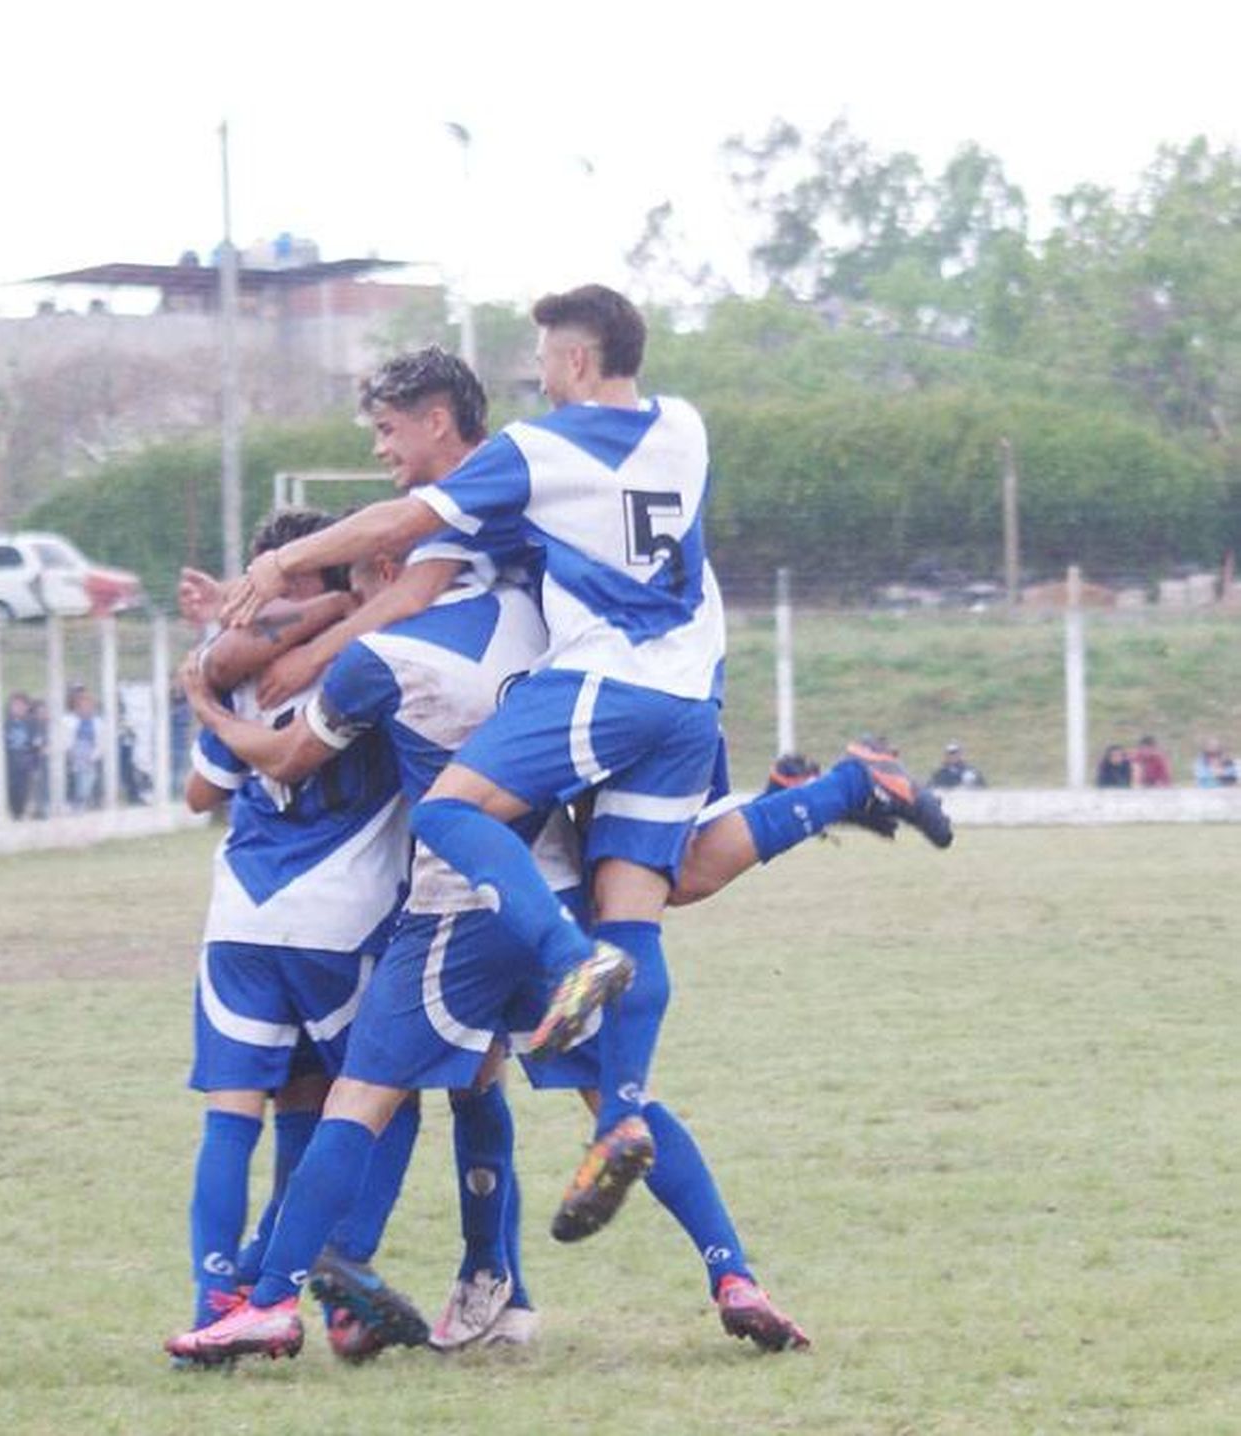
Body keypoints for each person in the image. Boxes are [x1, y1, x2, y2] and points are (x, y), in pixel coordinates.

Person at [219, 286, 952, 1249]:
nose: (382, 450)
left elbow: (405, 567)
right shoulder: (682, 426)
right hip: (686, 685)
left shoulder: (526, 457)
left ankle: (576, 1008)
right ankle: (836, 799)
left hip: (600, 691)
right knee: (667, 884)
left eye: (390, 431)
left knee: (461, 821)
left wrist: (284, 588)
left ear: (570, 363)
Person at [161, 508, 422, 1367]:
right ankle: (314, 1276)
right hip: (340, 921)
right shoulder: (376, 661)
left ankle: (216, 1298)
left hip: (240, 916)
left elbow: (202, 795)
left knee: (237, 1116)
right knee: (375, 1104)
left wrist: (213, 667)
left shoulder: (242, 677)